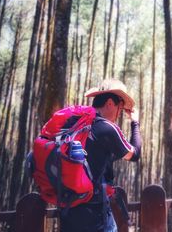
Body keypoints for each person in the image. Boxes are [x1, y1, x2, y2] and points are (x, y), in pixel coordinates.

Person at [60, 78, 142, 232]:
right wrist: (135, 123)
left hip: (67, 211)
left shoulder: (74, 124)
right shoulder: (107, 128)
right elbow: (135, 154)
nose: (120, 113)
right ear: (110, 103)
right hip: (95, 215)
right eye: (120, 106)